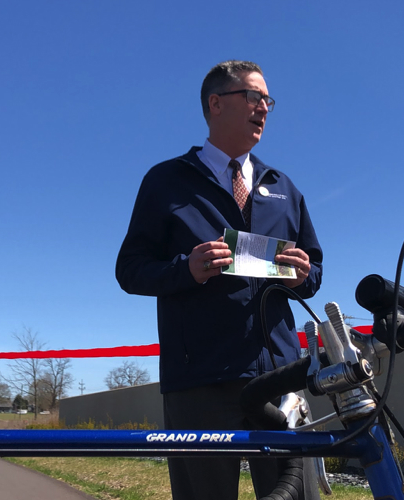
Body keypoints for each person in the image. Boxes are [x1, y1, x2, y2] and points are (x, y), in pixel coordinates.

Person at [115, 60, 323, 500]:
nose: (263, 108)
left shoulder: (283, 187)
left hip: (280, 376)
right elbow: (129, 269)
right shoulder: (166, 181)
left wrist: (301, 276)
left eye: (268, 100)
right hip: (199, 383)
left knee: (297, 494)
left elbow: (314, 273)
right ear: (215, 104)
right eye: (253, 96)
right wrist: (184, 270)